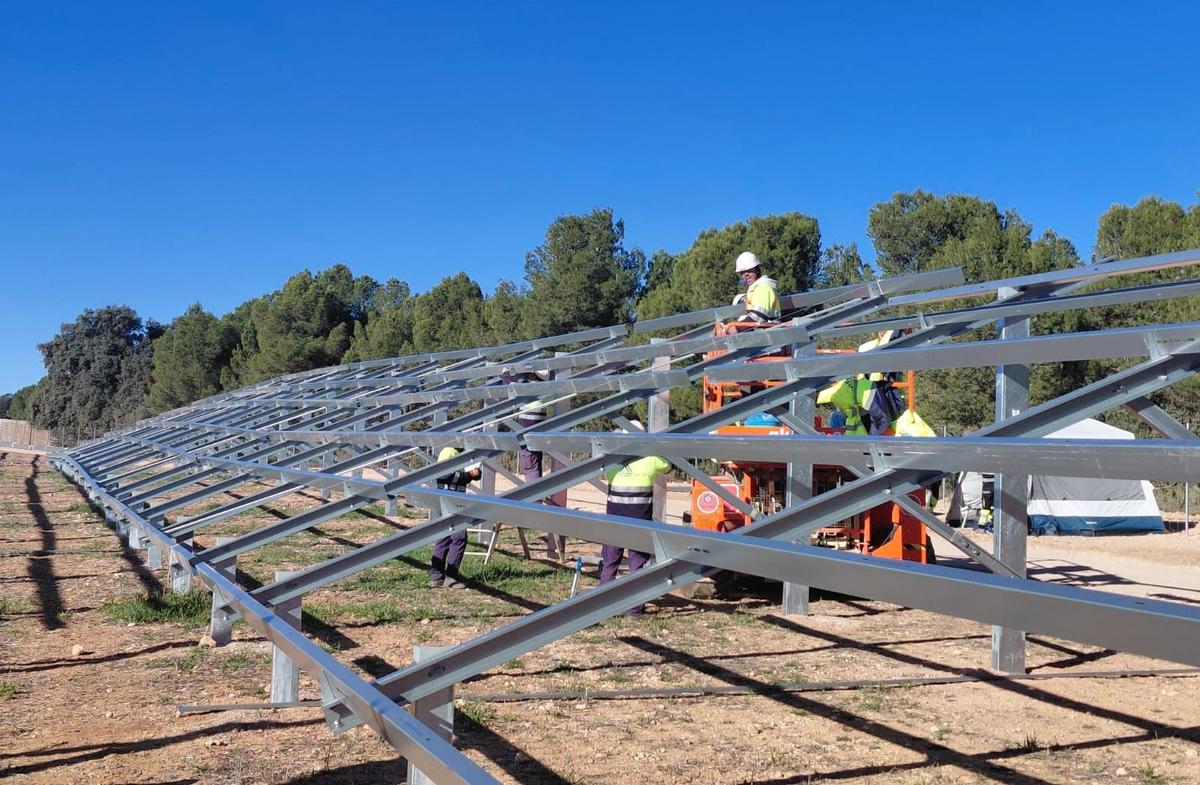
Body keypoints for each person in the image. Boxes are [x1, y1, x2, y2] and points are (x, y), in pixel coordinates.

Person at [600, 440, 672, 618]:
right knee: (637, 564)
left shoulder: (612, 465)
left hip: (614, 522)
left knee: (610, 562)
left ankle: (601, 607)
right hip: (639, 522)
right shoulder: (650, 461)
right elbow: (668, 465)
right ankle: (635, 609)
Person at [428, 445, 482, 589]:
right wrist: (470, 475)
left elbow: (468, 475)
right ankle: (451, 577)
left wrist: (474, 474)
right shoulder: (449, 451)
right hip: (451, 501)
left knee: (444, 538)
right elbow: (444, 475)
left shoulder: (461, 453)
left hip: (450, 500)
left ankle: (436, 577)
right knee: (459, 537)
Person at [732, 251, 780, 324]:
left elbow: (758, 318)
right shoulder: (755, 288)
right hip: (761, 331)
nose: (746, 274)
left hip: (768, 331)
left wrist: (735, 328)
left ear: (757, 270)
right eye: (742, 272)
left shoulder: (763, 287)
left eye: (749, 270)